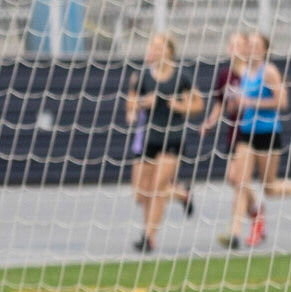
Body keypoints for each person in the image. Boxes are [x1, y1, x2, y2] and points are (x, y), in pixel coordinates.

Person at [124, 32, 202, 253]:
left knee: (157, 188)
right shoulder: (142, 77)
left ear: (169, 51)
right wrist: (142, 103)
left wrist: (180, 106)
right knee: (141, 194)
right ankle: (182, 193)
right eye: (152, 47)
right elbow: (130, 105)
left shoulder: (181, 77)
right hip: (148, 139)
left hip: (173, 139)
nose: (153, 51)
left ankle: (148, 237)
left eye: (158, 47)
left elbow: (198, 105)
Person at [218, 32, 290, 249]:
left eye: (256, 46)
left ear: (265, 50)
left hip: (267, 134)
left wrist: (250, 101)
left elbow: (281, 102)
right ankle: (234, 232)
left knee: (270, 188)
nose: (251, 49)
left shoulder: (269, 71)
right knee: (240, 181)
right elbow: (240, 102)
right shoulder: (244, 73)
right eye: (249, 45)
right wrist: (235, 104)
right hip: (246, 133)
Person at [201, 32, 254, 236]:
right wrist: (210, 122)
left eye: (238, 44)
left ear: (247, 48)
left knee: (238, 178)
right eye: (231, 44)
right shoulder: (225, 74)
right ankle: (256, 210)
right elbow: (220, 103)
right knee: (234, 178)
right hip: (234, 130)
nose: (234, 48)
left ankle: (235, 231)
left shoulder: (253, 72)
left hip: (252, 131)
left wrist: (246, 104)